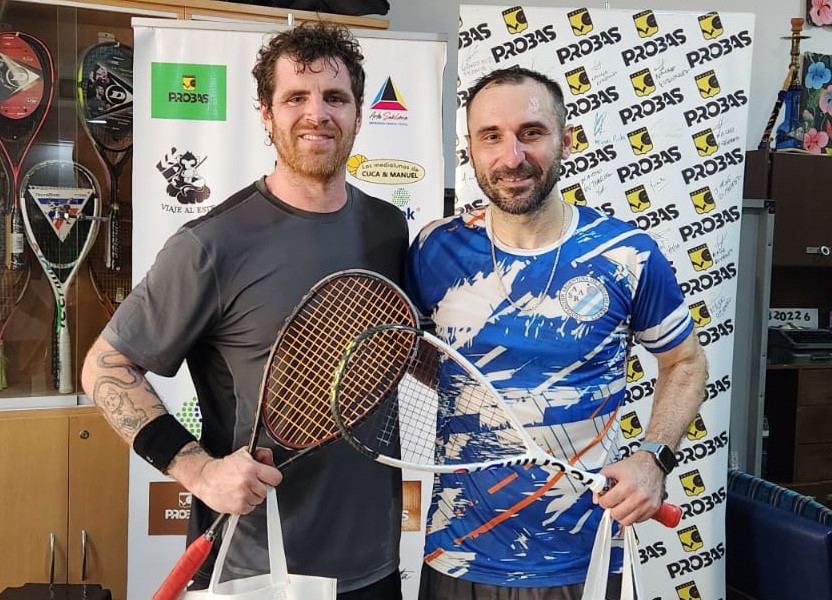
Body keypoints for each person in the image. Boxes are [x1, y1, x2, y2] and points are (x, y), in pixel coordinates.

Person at [81, 22, 407, 598]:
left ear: (359, 112)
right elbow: (105, 366)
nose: (317, 113)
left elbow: (399, 347)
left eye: (335, 97)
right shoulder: (212, 243)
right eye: (296, 98)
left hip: (374, 560)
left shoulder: (387, 226)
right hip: (252, 563)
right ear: (266, 113)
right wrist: (198, 471)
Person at [404, 66, 709, 599]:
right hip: (457, 553)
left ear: (565, 140)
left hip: (587, 558)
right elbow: (418, 355)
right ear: (470, 149)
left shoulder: (625, 253)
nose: (512, 157)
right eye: (491, 136)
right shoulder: (434, 249)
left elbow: (685, 362)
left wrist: (653, 456)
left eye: (531, 132)